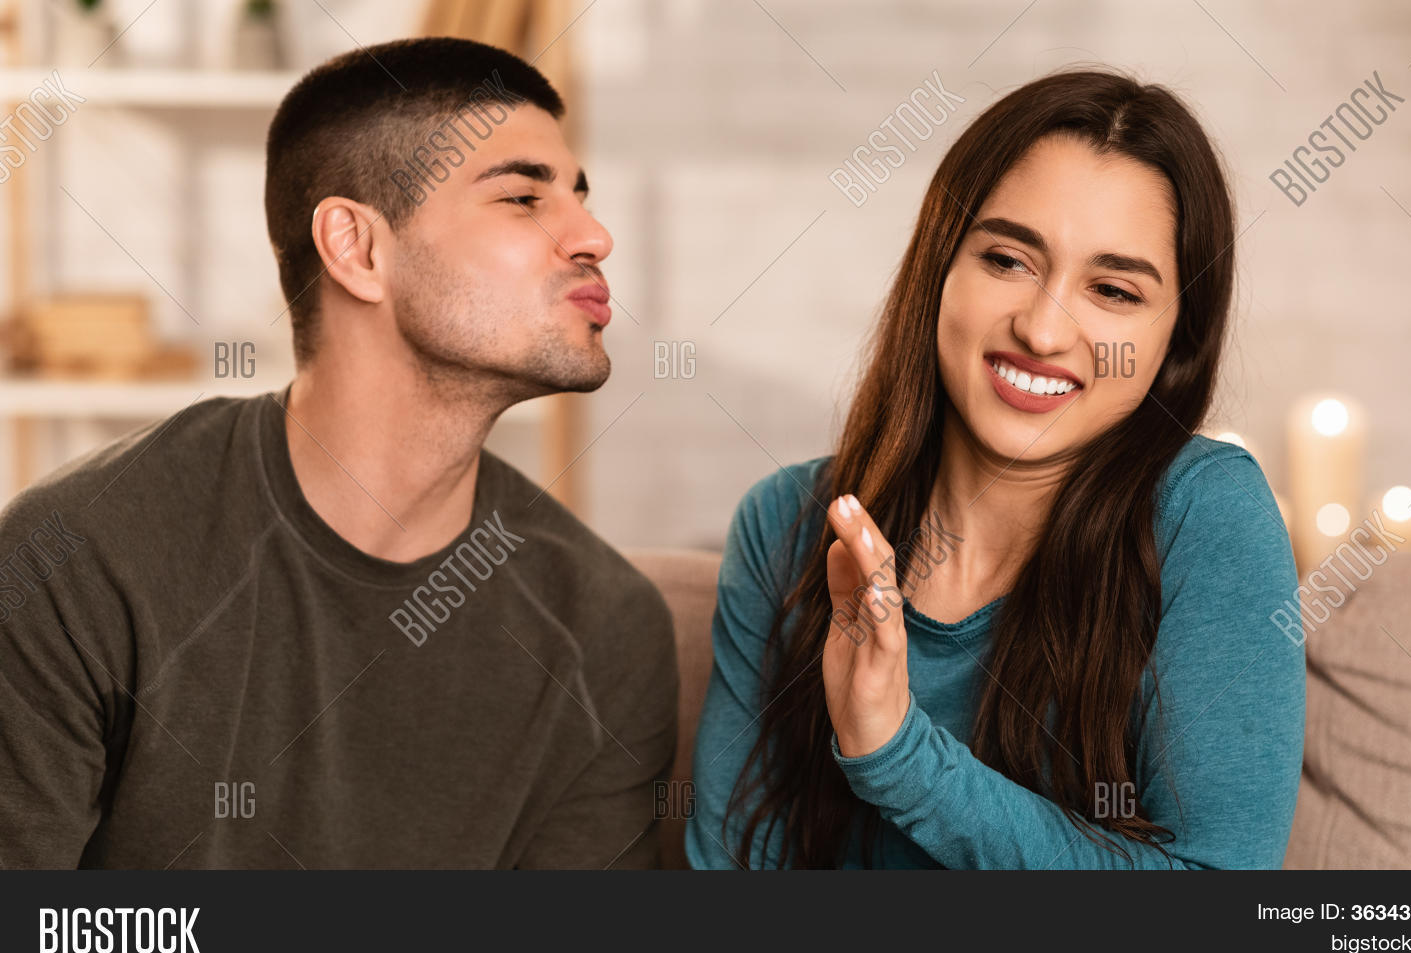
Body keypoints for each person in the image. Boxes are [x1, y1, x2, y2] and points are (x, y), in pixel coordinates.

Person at [0, 37, 677, 868]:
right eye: (522, 198)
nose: (594, 236)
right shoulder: (77, 560)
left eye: (580, 196)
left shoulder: (605, 627)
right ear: (356, 248)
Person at [689, 69, 1305, 869]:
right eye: (1009, 260)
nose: (1043, 331)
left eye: (1112, 290)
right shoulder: (785, 524)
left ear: (1176, 343)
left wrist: (899, 754)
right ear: (940, 269)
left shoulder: (1204, 514)